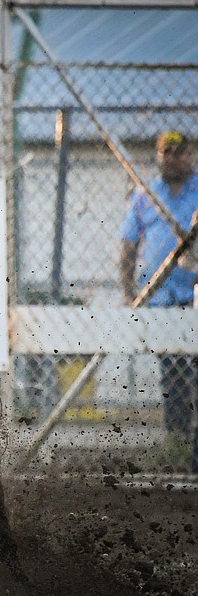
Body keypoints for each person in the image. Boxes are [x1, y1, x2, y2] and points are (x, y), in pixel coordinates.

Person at [119, 130, 198, 473]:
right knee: (175, 376)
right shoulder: (146, 195)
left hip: (194, 294)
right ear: (159, 156)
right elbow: (128, 244)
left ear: (190, 156)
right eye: (168, 153)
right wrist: (127, 290)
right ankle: (178, 444)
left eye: (180, 153)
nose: (174, 159)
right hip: (160, 299)